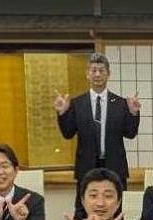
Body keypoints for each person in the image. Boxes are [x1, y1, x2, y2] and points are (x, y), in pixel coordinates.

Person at [54, 53, 140, 204]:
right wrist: (62, 113)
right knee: (84, 209)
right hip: (86, 167)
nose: (97, 74)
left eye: (101, 70)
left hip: (115, 166)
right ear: (87, 74)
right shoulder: (77, 103)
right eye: (93, 70)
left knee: (117, 208)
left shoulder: (120, 103)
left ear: (108, 74)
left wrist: (133, 113)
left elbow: (130, 133)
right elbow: (68, 133)